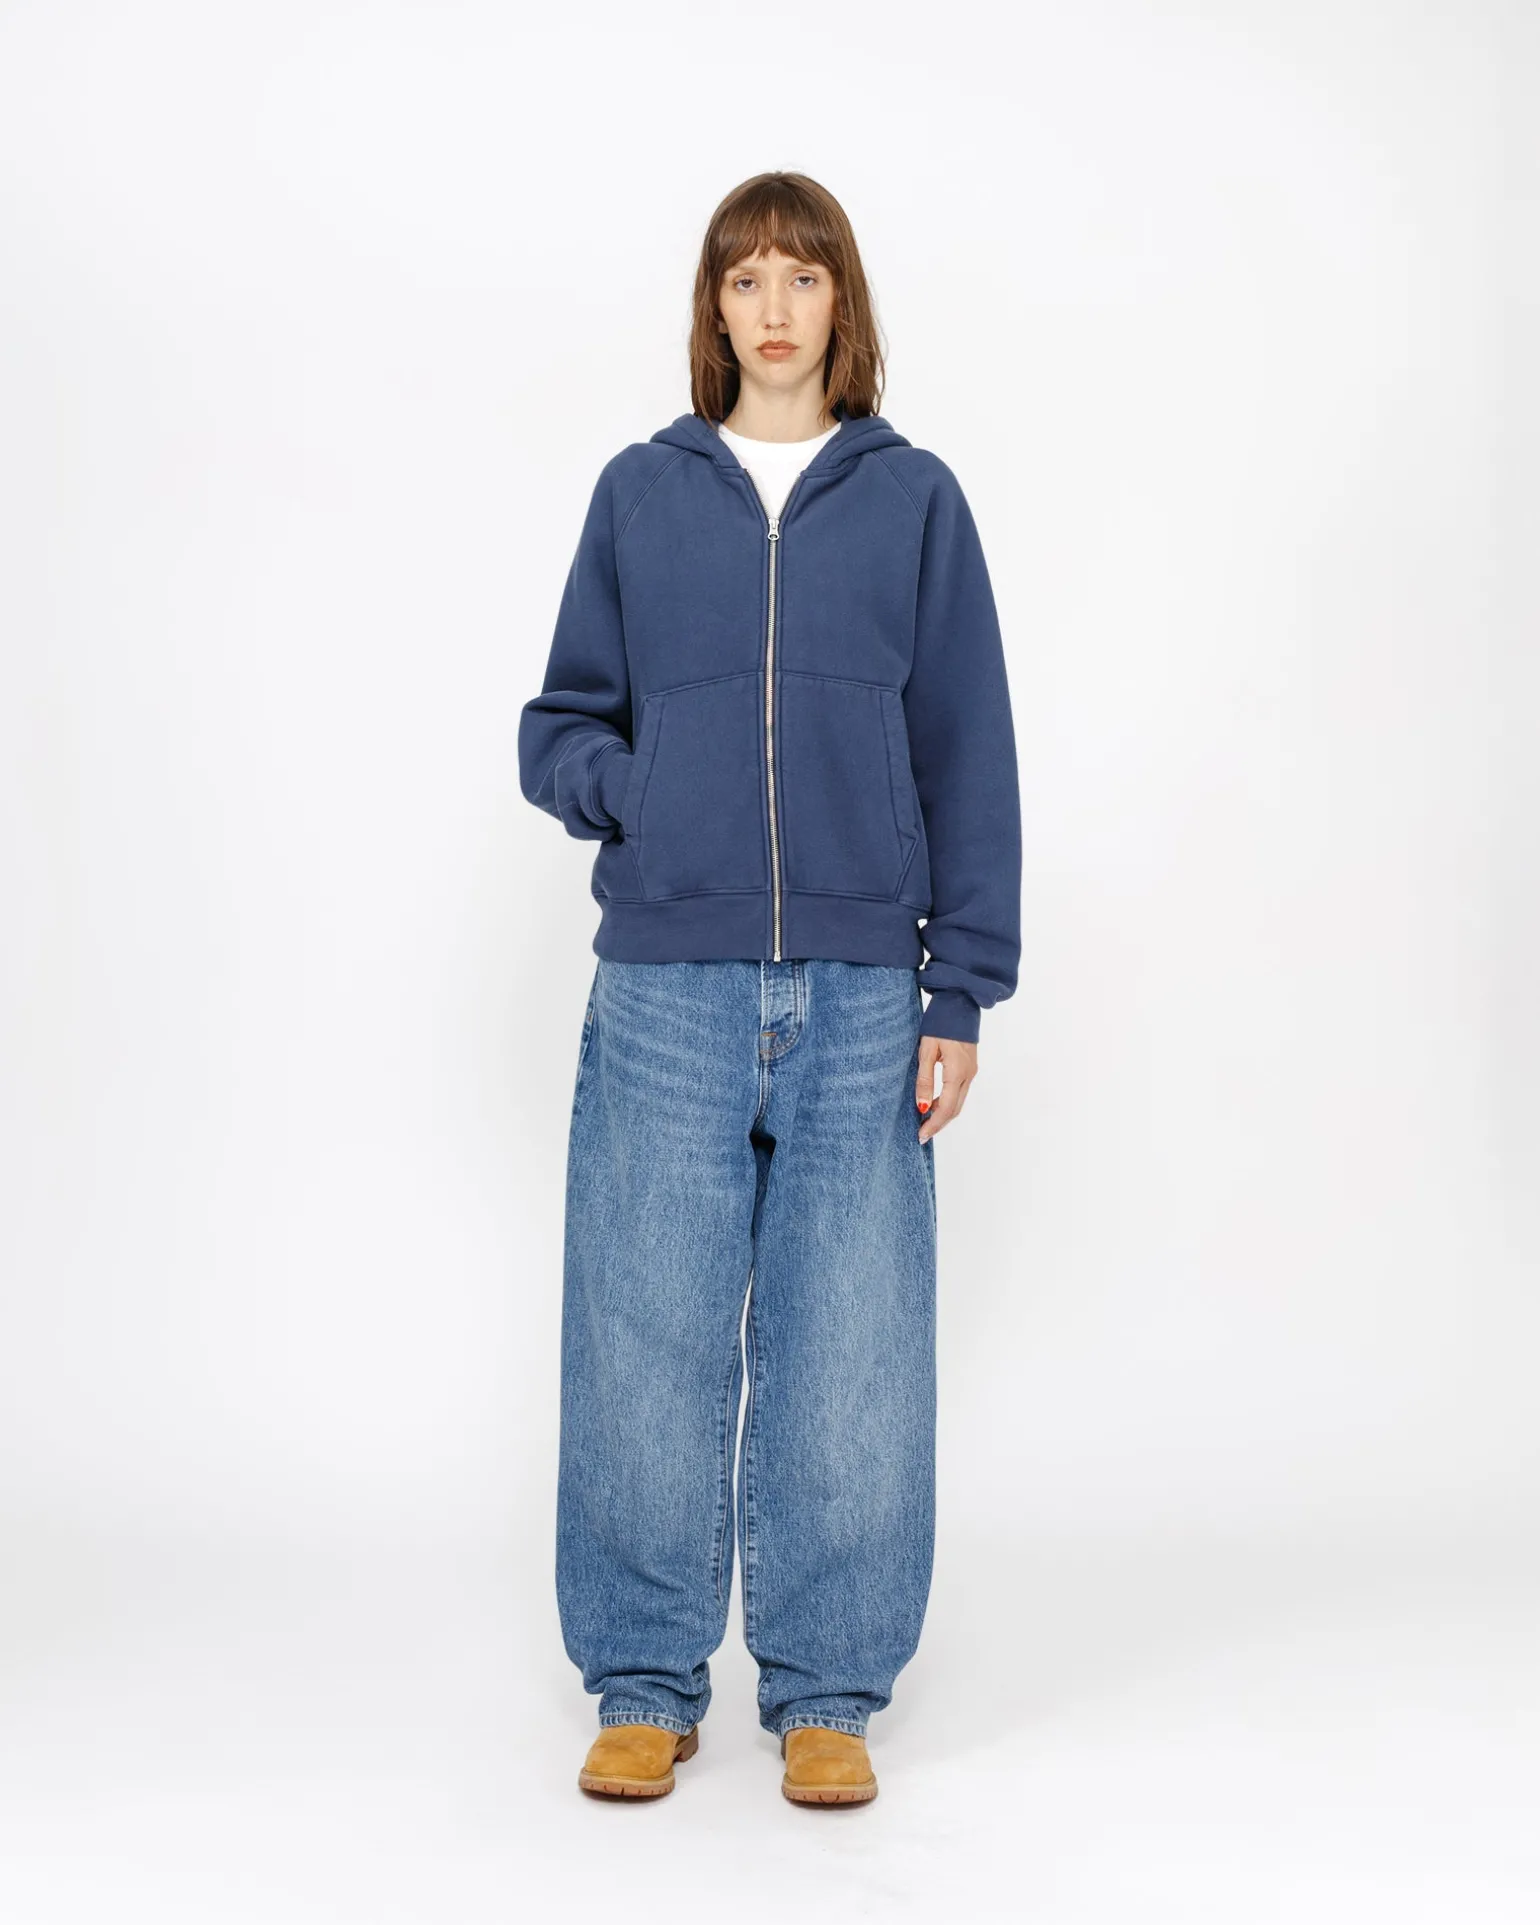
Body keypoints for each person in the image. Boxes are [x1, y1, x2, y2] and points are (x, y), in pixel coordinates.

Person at [517, 170, 1021, 1807]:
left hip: (868, 989)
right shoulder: (641, 494)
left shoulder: (915, 500)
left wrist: (962, 991)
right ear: (714, 308)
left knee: (852, 1341)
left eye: (804, 276)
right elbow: (560, 726)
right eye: (747, 279)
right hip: (668, 982)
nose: (776, 307)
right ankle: (643, 1681)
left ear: (842, 303)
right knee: (642, 1329)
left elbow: (968, 748)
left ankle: (828, 1694)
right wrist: (642, 796)